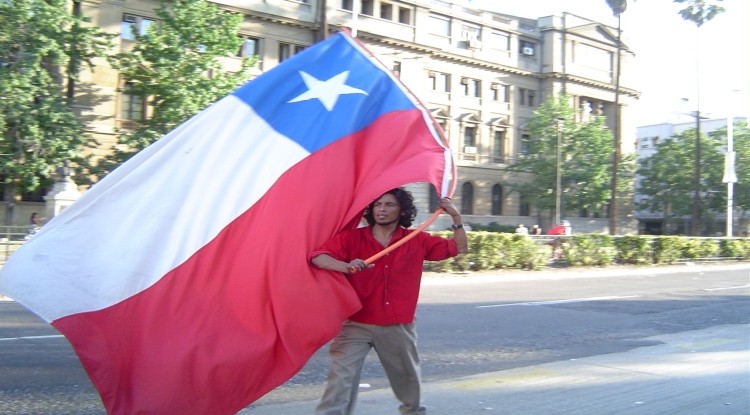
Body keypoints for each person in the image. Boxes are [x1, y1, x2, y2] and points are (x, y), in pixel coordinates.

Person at [310, 188, 468, 415]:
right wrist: (345, 266)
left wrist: (456, 217)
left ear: (402, 210)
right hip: (355, 323)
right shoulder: (352, 238)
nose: (382, 209)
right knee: (340, 378)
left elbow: (459, 248)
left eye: (389, 204)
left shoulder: (416, 239)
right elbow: (318, 257)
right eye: (378, 204)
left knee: (407, 381)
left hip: (397, 324)